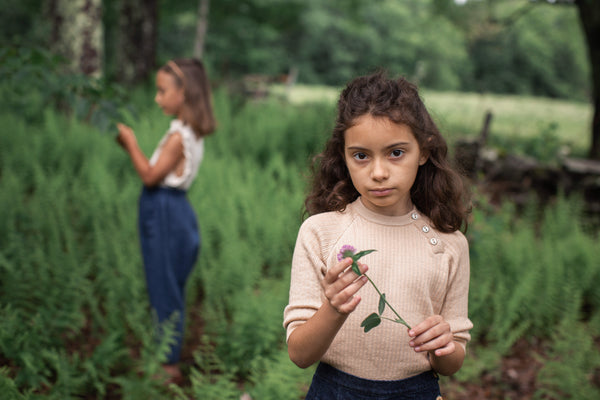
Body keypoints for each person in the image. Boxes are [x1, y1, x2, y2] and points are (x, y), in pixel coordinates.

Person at [283, 71, 473, 399]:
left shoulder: (448, 244)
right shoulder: (320, 233)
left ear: (424, 151)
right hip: (335, 390)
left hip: (416, 391)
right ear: (343, 157)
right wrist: (334, 308)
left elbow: (452, 361)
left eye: (396, 153)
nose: (379, 172)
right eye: (361, 156)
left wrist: (443, 345)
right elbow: (300, 354)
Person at [116, 58, 216, 383]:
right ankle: (165, 356)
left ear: (183, 92)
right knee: (169, 286)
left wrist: (130, 143)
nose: (157, 98)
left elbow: (149, 176)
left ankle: (167, 366)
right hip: (177, 212)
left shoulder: (178, 136)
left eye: (162, 91)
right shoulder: (190, 131)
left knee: (165, 287)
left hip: (165, 213)